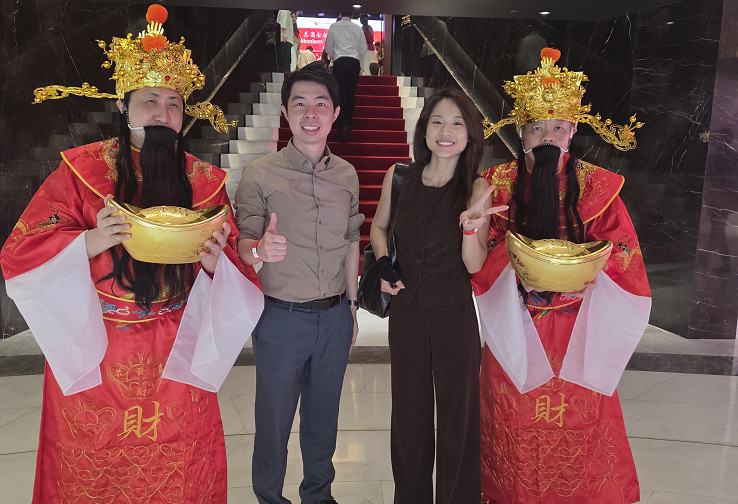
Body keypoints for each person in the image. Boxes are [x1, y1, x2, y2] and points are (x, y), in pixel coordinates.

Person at [0, 5, 263, 503]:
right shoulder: (80, 172)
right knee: (93, 471)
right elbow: (20, 251)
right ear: (123, 106)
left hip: (178, 350)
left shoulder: (205, 183)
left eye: (173, 103)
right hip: (98, 350)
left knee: (179, 467)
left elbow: (236, 268)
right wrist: (92, 239)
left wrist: (216, 263)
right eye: (149, 101)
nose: (162, 113)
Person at [476, 48, 650, 504]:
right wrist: (516, 266)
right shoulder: (495, 184)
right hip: (515, 326)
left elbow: (626, 252)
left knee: (580, 422)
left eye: (558, 127)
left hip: (579, 331)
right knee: (512, 421)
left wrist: (593, 269)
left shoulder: (599, 187)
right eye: (537, 127)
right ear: (521, 132)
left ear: (573, 132)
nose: (547, 136)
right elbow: (481, 251)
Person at [370, 88, 507, 504]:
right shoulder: (399, 177)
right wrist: (384, 263)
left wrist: (469, 228)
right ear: (424, 130)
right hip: (407, 314)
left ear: (469, 134)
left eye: (457, 123)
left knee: (457, 416)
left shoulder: (477, 187)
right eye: (437, 122)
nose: (446, 131)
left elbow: (474, 264)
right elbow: (379, 228)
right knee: (408, 414)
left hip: (454, 316)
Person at [235, 61, 364, 504]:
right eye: (300, 104)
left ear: (335, 113)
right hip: (281, 318)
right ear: (286, 112)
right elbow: (243, 244)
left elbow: (352, 241)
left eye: (321, 104)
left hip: (334, 316)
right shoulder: (259, 173)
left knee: (323, 418)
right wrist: (259, 250)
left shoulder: (346, 174)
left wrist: (351, 307)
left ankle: (318, 495)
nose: (311, 114)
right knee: (273, 421)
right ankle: (269, 497)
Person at [324, 13, 367, 140]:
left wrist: (335, 56)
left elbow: (328, 48)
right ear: (352, 14)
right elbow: (364, 48)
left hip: (340, 62)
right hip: (353, 62)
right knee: (351, 93)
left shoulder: (334, 26)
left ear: (340, 14)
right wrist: (355, 55)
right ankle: (349, 122)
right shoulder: (357, 28)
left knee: (340, 93)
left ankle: (341, 122)